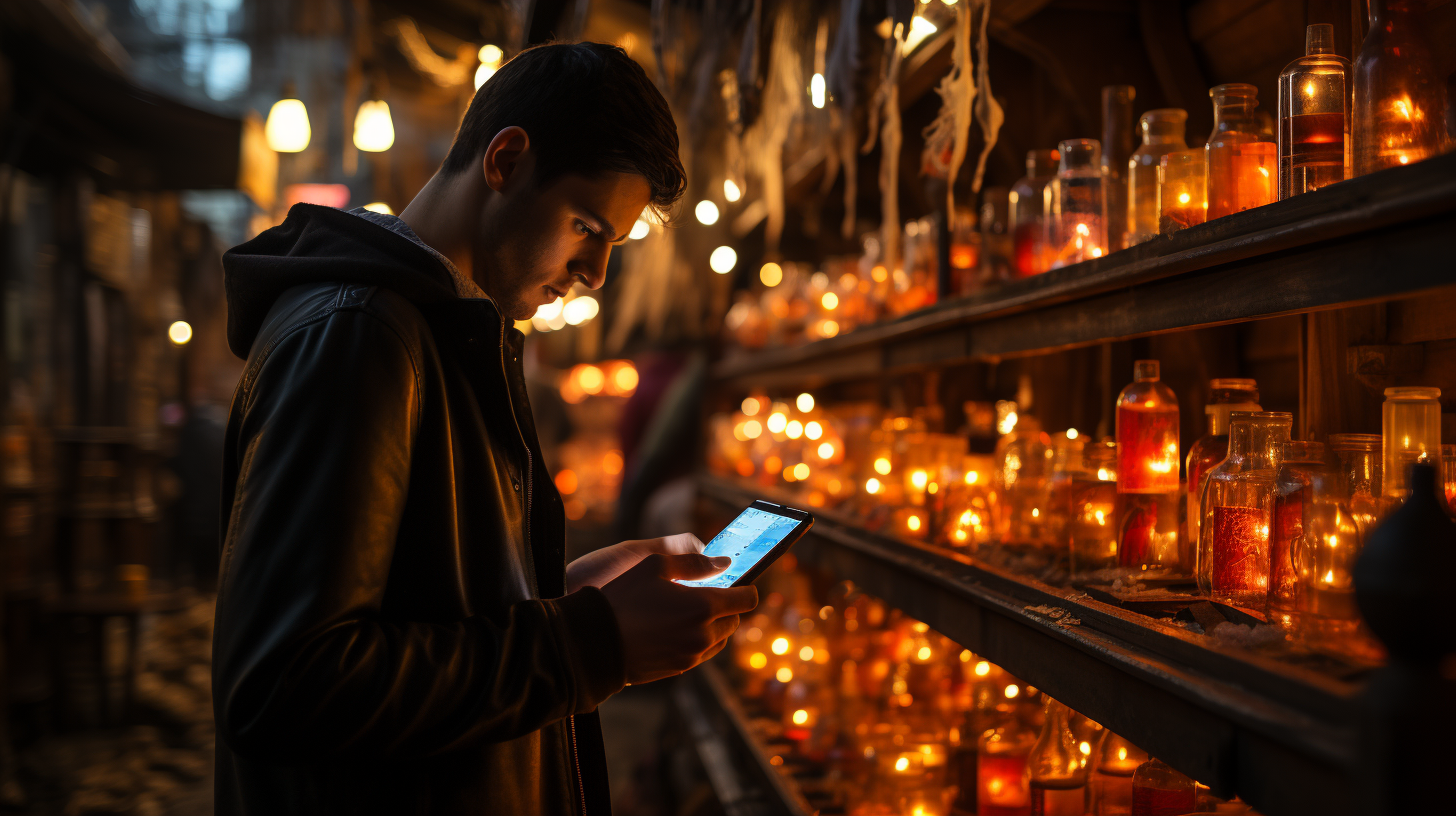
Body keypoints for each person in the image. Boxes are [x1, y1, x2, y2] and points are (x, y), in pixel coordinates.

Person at [213, 42, 756, 816]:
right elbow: (286, 684)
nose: (595, 272)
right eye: (584, 227)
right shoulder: (360, 338)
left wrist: (563, 597)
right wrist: (588, 645)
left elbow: (421, 613)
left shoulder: (448, 335)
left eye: (611, 245)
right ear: (505, 161)